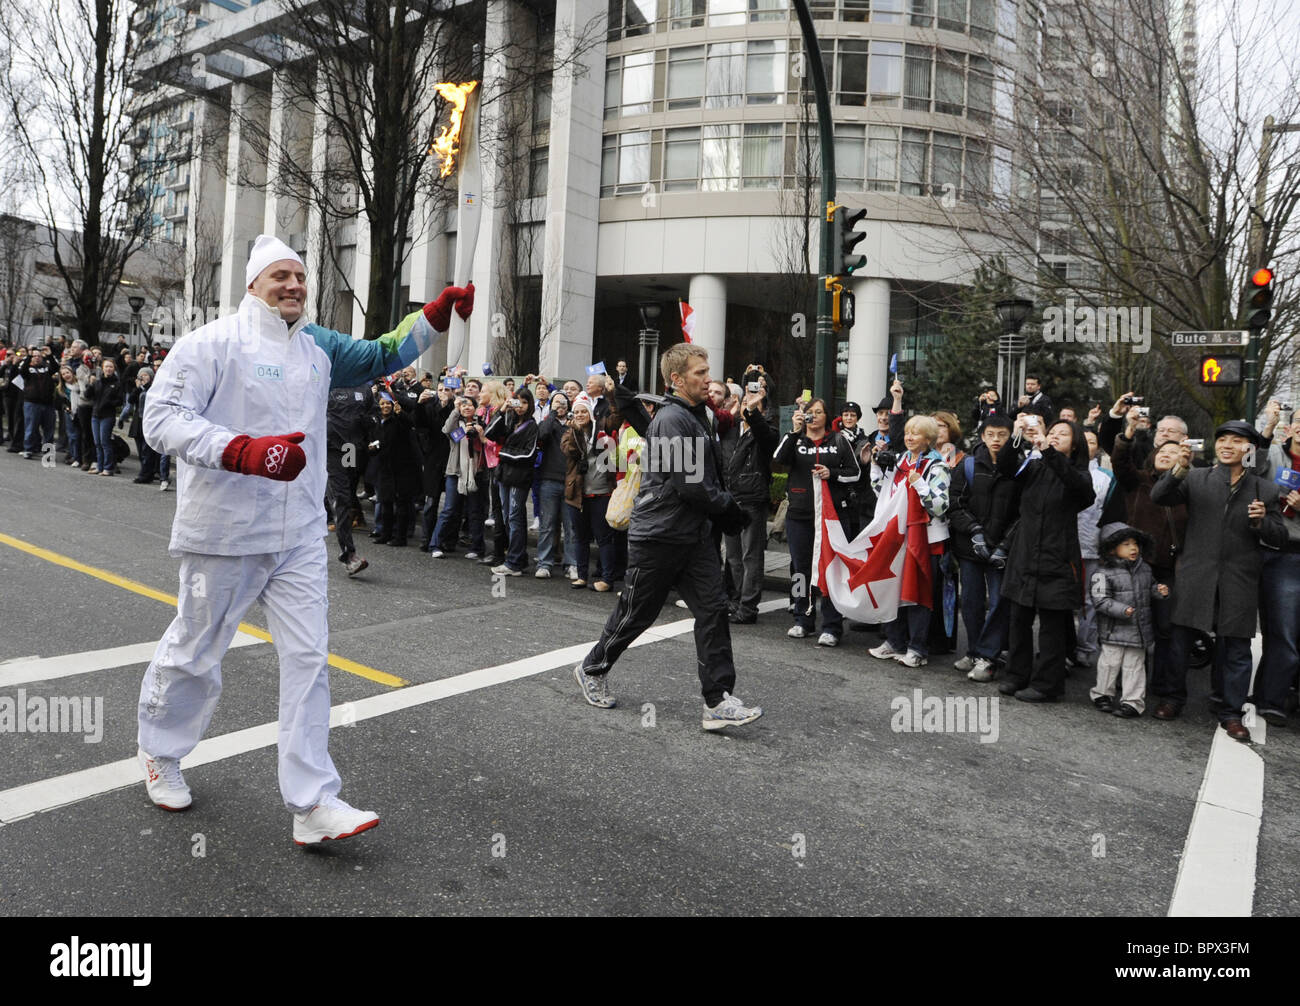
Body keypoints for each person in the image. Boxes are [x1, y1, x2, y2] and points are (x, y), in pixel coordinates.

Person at [136, 232, 471, 844]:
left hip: (297, 535)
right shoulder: (211, 345)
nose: (293, 286)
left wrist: (432, 316)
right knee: (196, 649)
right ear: (253, 286)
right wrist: (241, 450)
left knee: (309, 660)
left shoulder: (316, 346)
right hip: (224, 532)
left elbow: (378, 354)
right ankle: (162, 750)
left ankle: (313, 802)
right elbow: (159, 421)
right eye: (279, 277)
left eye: (299, 277)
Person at [572, 342, 762, 731]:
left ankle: (717, 701)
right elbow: (690, 483)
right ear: (676, 379)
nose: (708, 379)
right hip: (659, 537)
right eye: (699, 373)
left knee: (712, 611)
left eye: (708, 371)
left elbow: (698, 477)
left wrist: (720, 511)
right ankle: (593, 667)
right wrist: (728, 509)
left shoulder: (695, 414)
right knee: (636, 615)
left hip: (692, 537)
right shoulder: (675, 418)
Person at [1150, 420, 1286, 740]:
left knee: (1236, 648)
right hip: (1196, 574)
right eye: (1222, 440)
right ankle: (1172, 698)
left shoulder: (1264, 489)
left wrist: (1262, 522)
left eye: (1235, 441)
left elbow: (1279, 537)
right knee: (1179, 641)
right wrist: (1180, 468)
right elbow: (1160, 496)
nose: (1226, 445)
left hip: (1239, 577)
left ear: (1249, 450)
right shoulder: (1196, 478)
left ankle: (1231, 713)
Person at [995, 416, 1096, 703]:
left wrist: (1048, 451)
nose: (1053, 437)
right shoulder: (1035, 467)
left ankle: (1048, 684)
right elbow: (1005, 469)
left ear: (1074, 444)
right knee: (1019, 619)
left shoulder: (1079, 473)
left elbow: (1080, 490)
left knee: (1052, 626)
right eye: (1051, 432)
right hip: (1025, 552)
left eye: (1062, 435)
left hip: (1058, 555)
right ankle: (1016, 675)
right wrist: (1016, 437)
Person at [773, 395, 862, 646]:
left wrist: (831, 474)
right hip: (800, 515)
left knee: (831, 570)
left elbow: (854, 473)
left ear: (827, 417)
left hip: (833, 517)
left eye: (819, 412)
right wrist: (793, 431)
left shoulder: (838, 440)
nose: (813, 417)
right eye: (809, 412)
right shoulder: (796, 439)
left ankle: (832, 626)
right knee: (800, 569)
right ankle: (803, 619)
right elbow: (778, 459)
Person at [866, 415, 952, 667]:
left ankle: (917, 648)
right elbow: (883, 493)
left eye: (915, 433)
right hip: (899, 538)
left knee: (919, 593)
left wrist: (920, 484)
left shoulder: (938, 466)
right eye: (907, 432)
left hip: (927, 540)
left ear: (928, 438)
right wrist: (874, 465)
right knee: (895, 590)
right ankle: (895, 641)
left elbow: (940, 506)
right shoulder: (901, 460)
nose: (909, 437)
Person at [947, 414, 1016, 681]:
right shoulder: (968, 465)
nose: (996, 440)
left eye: (1002, 435)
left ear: (1011, 437)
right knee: (972, 602)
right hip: (970, 548)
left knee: (999, 603)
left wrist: (1004, 545)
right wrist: (974, 531)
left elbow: (1023, 513)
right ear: (983, 435)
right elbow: (956, 503)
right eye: (991, 434)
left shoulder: (1020, 467)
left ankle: (989, 656)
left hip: (1002, 550)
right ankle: (975, 650)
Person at [1089, 523, 1169, 718]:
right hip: (1113, 629)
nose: (1133, 548)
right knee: (1109, 663)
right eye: (1126, 544)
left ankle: (1133, 702)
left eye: (1135, 544)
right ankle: (1102, 694)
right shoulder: (1102, 573)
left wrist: (1158, 592)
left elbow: (1148, 589)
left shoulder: (1145, 570)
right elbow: (1100, 601)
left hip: (1139, 629)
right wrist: (1122, 610)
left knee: (1135, 666)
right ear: (1112, 548)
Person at [1255, 405, 1300, 726]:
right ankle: (1268, 698)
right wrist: (1267, 430)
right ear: (1292, 427)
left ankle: (1274, 697)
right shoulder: (1272, 454)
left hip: (1295, 555)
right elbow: (1245, 470)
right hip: (1269, 548)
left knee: (1285, 634)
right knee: (1276, 631)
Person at [721, 382, 777, 624]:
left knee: (750, 556)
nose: (747, 406)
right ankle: (734, 600)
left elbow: (765, 435)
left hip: (752, 499)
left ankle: (748, 607)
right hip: (729, 498)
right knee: (732, 556)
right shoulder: (730, 430)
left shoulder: (767, 431)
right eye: (745, 403)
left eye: (753, 405)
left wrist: (754, 412)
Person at [562, 398, 616, 590]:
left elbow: (615, 419)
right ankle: (582, 576)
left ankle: (607, 579)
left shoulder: (602, 431)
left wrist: (612, 395)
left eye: (583, 412)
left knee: (604, 537)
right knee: (581, 537)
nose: (579, 415)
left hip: (601, 493)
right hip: (577, 494)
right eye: (576, 412)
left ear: (591, 414)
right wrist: (576, 431)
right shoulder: (570, 434)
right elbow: (569, 451)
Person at [428, 395, 488, 560]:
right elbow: (447, 431)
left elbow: (486, 442)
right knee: (449, 509)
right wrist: (455, 410)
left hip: (477, 473)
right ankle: (435, 545)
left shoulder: (482, 424)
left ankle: (477, 548)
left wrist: (478, 432)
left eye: (470, 405)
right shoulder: (457, 424)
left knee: (475, 512)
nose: (466, 407)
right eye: (463, 405)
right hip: (455, 472)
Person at [485, 386, 538, 575]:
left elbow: (529, 454)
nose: (521, 406)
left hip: (519, 478)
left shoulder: (532, 425)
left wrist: (504, 453)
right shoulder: (510, 419)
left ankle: (514, 562)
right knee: (508, 518)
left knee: (515, 518)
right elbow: (489, 433)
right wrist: (502, 410)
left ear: (530, 404)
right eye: (518, 402)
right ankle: (518, 558)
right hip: (504, 476)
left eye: (525, 402)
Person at [534, 391, 571, 578]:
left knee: (570, 526)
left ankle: (571, 564)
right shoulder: (548, 422)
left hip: (570, 481)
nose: (560, 405)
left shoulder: (573, 425)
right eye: (556, 402)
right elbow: (542, 434)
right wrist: (553, 414)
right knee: (547, 524)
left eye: (563, 403)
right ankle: (544, 563)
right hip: (549, 479)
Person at [88, 357, 125, 475]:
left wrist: (109, 403)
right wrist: (90, 384)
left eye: (111, 367)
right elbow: (88, 395)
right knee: (97, 442)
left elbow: (120, 401)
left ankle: (108, 467)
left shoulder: (117, 383)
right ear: (102, 368)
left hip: (107, 415)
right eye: (106, 367)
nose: (108, 369)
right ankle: (99, 466)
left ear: (114, 369)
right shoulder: (98, 382)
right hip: (95, 415)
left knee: (105, 442)